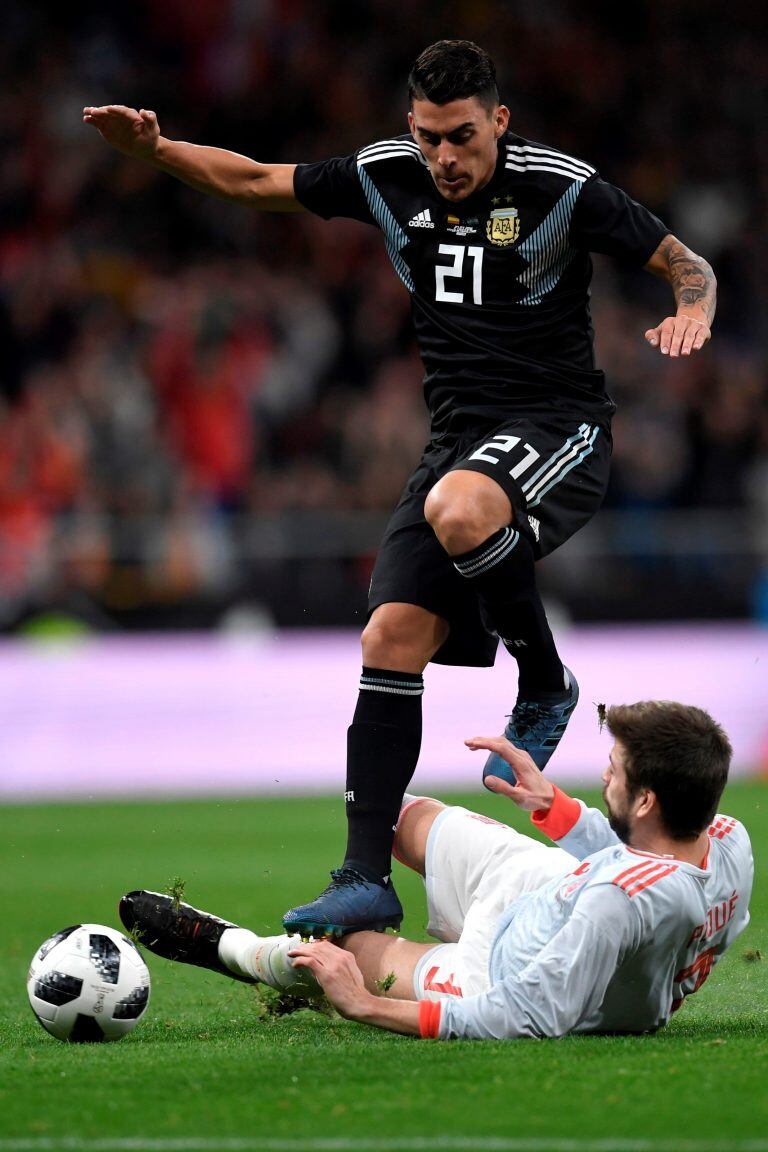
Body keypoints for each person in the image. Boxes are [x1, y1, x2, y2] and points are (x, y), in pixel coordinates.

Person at [85, 40, 717, 938]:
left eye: (462, 137)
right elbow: (255, 181)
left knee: (457, 507)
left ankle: (544, 684)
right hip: (458, 442)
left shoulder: (560, 188)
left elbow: (686, 261)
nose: (445, 159)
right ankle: (363, 877)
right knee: (389, 634)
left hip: (558, 427)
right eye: (429, 139)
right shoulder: (389, 176)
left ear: (500, 121)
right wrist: (156, 152)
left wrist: (692, 305)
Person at [120, 701, 752, 1040]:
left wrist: (364, 1006)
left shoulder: (620, 902)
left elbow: (523, 1018)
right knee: (398, 817)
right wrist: (553, 807)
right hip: (544, 885)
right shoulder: (727, 843)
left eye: (616, 771)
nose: (605, 774)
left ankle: (232, 948)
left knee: (339, 953)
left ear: (646, 802)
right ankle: (363, 888)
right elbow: (636, 857)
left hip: (495, 969)